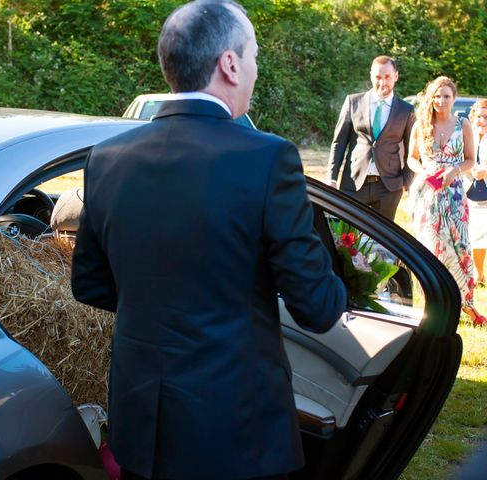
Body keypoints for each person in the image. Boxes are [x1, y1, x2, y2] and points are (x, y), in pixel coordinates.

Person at [71, 1, 347, 479]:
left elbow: (90, 285)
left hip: (144, 421)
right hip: (236, 427)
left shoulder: (108, 157)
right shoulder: (268, 158)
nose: (257, 71)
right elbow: (317, 307)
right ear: (230, 64)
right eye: (254, 56)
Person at [407, 76, 485, 326]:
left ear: (453, 98)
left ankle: (467, 304)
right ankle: (433, 305)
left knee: (458, 247)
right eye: (437, 96)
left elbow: (471, 160)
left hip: (454, 195)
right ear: (431, 98)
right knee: (430, 248)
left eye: (446, 96)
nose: (441, 101)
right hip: (426, 196)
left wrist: (454, 171)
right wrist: (423, 171)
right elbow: (411, 158)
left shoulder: (463, 124)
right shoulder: (421, 125)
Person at [327, 56, 415, 220]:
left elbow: (412, 150)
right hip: (353, 183)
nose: (382, 83)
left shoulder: (406, 110)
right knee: (347, 237)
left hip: (388, 187)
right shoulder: (353, 102)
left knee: (382, 241)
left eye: (387, 77)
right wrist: (331, 177)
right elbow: (339, 143)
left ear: (396, 76)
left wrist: (406, 180)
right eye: (378, 77)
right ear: (371, 76)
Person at [467, 99, 487, 286]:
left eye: (486, 117)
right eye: (478, 116)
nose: (482, 120)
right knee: (475, 237)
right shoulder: (468, 135)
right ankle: (479, 275)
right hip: (469, 193)